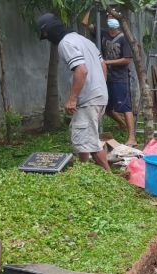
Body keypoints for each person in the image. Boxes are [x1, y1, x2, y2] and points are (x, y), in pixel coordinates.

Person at [37, 13, 110, 171]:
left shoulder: (66, 43)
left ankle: (109, 178)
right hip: (98, 96)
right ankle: (82, 170)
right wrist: (99, 87)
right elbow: (103, 65)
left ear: (50, 32)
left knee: (89, 141)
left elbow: (81, 70)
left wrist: (72, 99)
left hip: (88, 99)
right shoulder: (84, 40)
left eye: (47, 35)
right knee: (82, 136)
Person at [81, 11, 137, 147]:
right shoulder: (103, 33)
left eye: (113, 17)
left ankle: (132, 137)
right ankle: (122, 124)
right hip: (105, 77)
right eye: (109, 17)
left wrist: (106, 63)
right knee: (106, 108)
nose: (111, 19)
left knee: (125, 107)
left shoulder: (124, 38)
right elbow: (85, 23)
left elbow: (126, 60)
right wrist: (90, 7)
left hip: (119, 78)